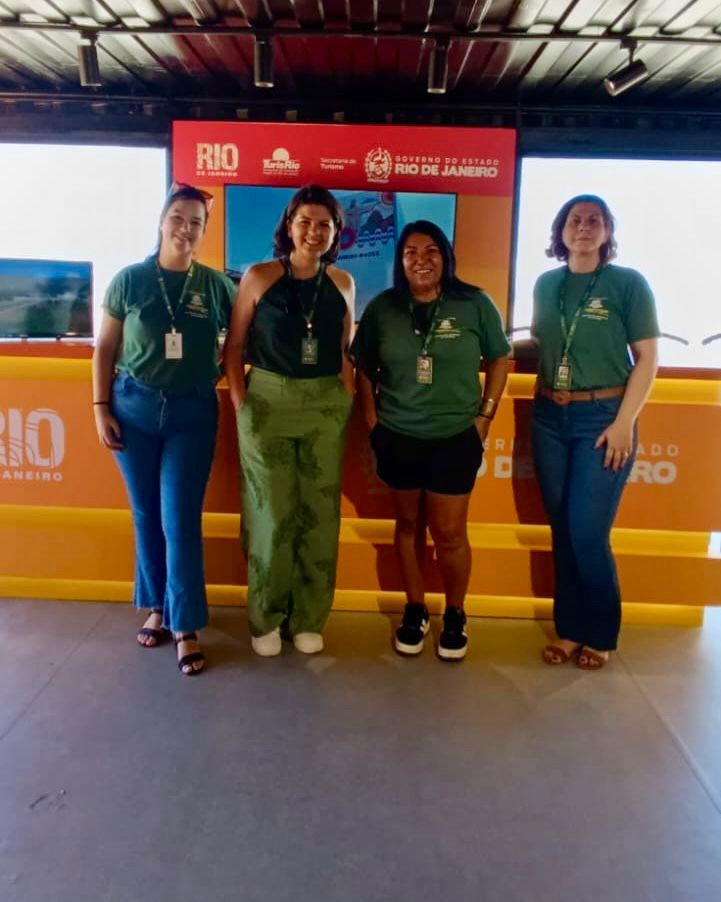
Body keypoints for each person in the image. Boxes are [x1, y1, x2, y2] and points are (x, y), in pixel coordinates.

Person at [92, 182, 235, 676]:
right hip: (132, 408)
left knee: (180, 519)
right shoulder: (129, 280)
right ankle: (157, 605)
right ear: (161, 221)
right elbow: (104, 348)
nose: (185, 229)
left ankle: (185, 625)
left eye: (196, 222)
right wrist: (100, 406)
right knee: (146, 515)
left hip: (192, 413)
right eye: (178, 218)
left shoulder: (216, 286)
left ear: (204, 230)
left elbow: (243, 339)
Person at [352, 220, 510, 661]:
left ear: (446, 257)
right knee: (407, 526)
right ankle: (415, 608)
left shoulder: (474, 303)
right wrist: (372, 422)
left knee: (450, 533)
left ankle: (455, 613)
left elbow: (500, 359)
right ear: (400, 262)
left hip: (455, 437)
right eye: (411, 253)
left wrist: (485, 417)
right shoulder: (384, 308)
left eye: (431, 251)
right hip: (398, 435)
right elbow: (362, 366)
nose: (421, 260)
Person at [225, 185, 355, 657]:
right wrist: (242, 403)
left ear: (336, 232)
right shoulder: (259, 277)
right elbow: (234, 346)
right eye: (305, 222)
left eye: (324, 224)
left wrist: (345, 396)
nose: (314, 232)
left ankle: (308, 618)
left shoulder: (342, 282)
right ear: (288, 226)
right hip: (267, 401)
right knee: (272, 513)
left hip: (325, 404)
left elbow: (345, 349)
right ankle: (266, 616)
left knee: (319, 514)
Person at [532, 194, 659, 670]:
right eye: (574, 220)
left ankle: (601, 633)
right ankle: (569, 630)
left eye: (593, 220)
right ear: (561, 232)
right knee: (562, 530)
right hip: (549, 416)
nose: (583, 227)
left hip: (603, 417)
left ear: (607, 231)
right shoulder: (546, 284)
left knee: (587, 532)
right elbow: (545, 343)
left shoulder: (627, 283)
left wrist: (624, 422)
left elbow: (647, 358)